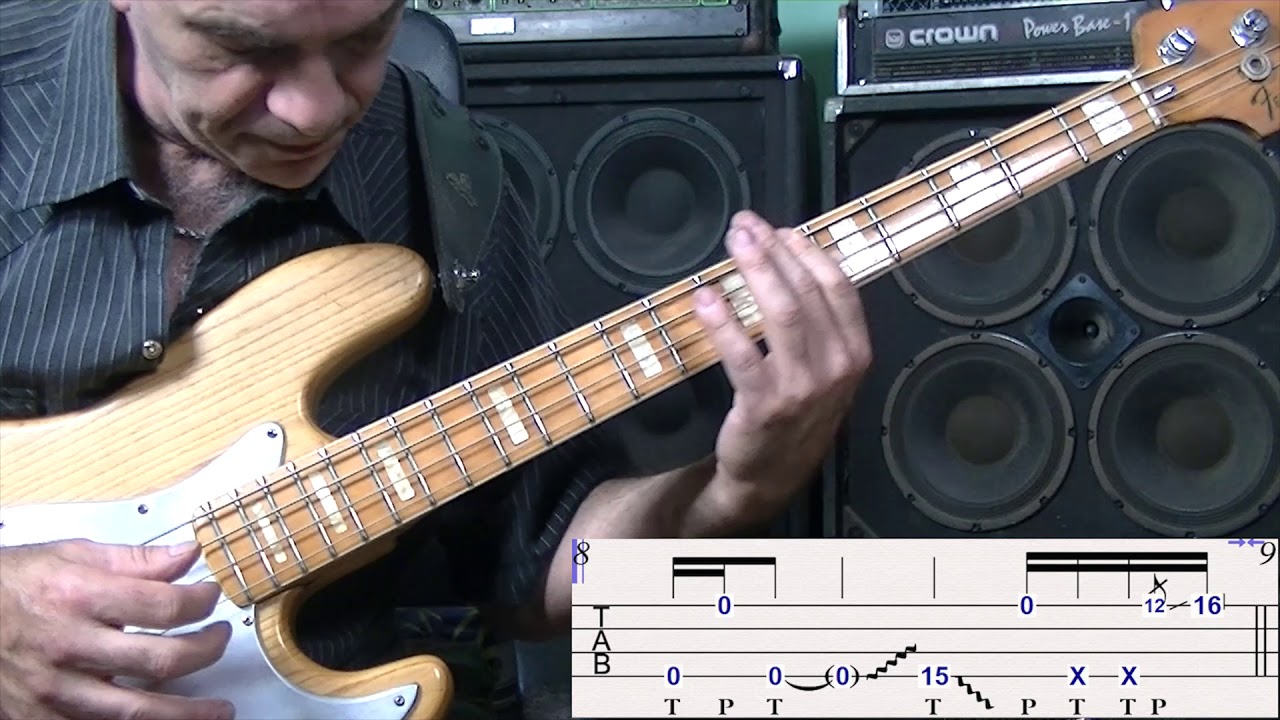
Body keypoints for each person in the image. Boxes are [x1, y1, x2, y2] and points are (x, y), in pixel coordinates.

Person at [0, 1, 873, 718]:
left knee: (897, 658)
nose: (315, 109)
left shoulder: (437, 166)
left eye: (362, 39)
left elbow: (528, 567)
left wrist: (733, 491)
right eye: (242, 49)